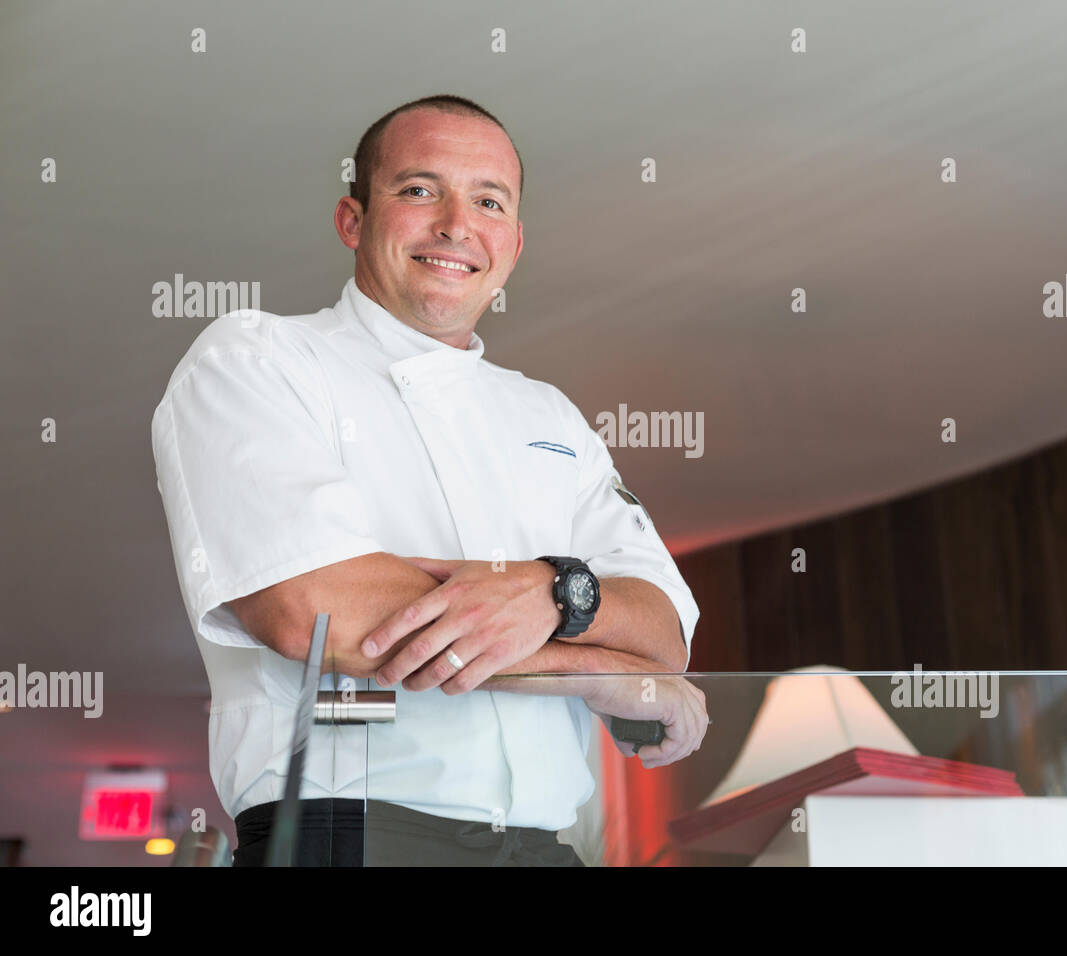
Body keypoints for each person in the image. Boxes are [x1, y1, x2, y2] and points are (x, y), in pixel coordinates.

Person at [150, 94, 708, 867]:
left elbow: (664, 629)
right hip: (350, 838)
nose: (455, 223)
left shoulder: (550, 413)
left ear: (511, 244)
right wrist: (600, 668)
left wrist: (549, 592)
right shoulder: (257, 360)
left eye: (488, 201)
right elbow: (317, 615)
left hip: (548, 852)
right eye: (418, 190)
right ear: (353, 220)